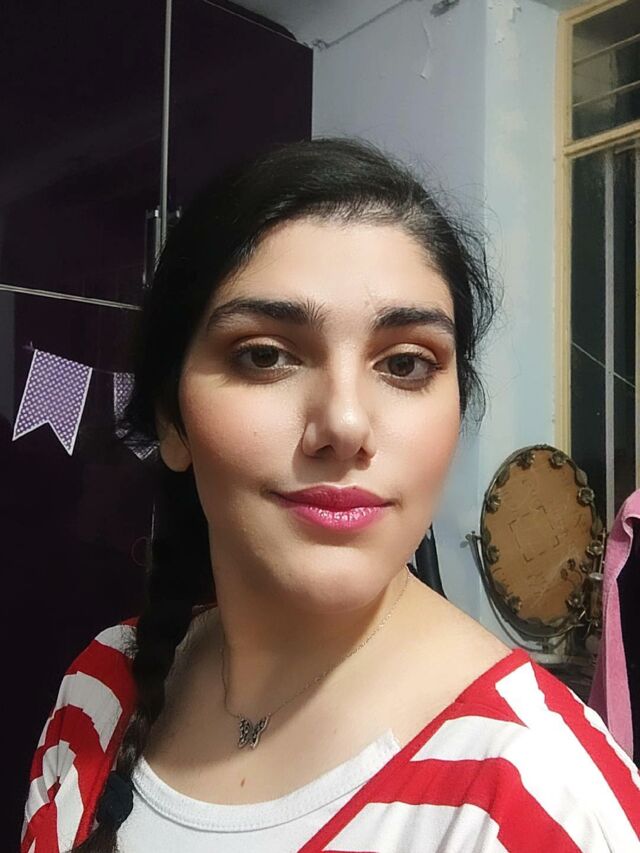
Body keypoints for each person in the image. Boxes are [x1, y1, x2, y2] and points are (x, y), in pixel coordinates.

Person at [22, 138, 640, 853]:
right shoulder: (101, 692)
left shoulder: (542, 796)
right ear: (171, 419)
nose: (345, 425)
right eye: (265, 355)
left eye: (405, 364)